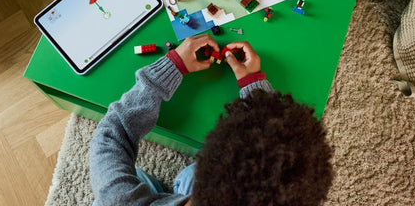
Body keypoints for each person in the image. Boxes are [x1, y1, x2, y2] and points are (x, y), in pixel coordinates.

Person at [90, 34, 333, 206]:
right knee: (185, 177)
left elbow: (112, 135)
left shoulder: (117, 200)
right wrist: (255, 91)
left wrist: (170, 68)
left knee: (122, 178)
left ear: (201, 175)